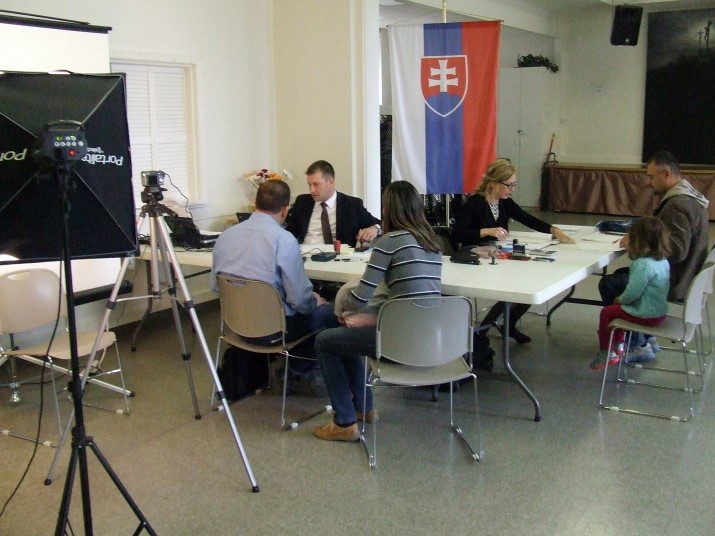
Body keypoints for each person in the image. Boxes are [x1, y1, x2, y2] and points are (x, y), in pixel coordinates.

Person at [311, 181, 443, 442]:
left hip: (400, 341)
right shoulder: (432, 242)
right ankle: (364, 408)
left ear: (388, 209)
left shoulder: (389, 241)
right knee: (343, 338)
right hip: (431, 341)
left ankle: (344, 422)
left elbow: (360, 299)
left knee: (325, 341)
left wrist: (340, 307)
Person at [210, 180, 338, 373]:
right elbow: (300, 301)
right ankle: (300, 365)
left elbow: (215, 286)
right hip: (276, 332)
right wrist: (314, 301)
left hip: (235, 328)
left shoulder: (225, 236)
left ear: (255, 203)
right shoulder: (284, 240)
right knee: (336, 313)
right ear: (285, 210)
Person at [453, 159, 574, 354]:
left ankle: (508, 324)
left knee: (530, 284)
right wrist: (486, 231)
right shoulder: (475, 203)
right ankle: (482, 332)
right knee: (512, 289)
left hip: (499, 254)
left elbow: (527, 218)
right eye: (509, 185)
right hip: (477, 258)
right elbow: (458, 234)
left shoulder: (505, 203)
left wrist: (553, 230)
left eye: (514, 184)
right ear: (494, 184)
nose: (512, 189)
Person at [598, 151, 709, 362]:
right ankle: (646, 337)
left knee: (610, 284)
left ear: (666, 174)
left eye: (651, 177)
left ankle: (637, 344)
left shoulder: (677, 206)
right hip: (686, 275)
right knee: (621, 274)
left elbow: (677, 250)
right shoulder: (689, 196)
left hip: (675, 280)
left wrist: (637, 243)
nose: (648, 183)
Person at [590, 217, 671, 370]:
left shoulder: (642, 264)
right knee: (618, 311)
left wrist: (620, 299)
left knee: (607, 312)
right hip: (659, 311)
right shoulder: (662, 260)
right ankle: (619, 345)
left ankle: (606, 351)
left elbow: (632, 293)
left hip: (646, 314)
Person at [285, 160, 381, 248]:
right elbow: (289, 233)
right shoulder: (302, 202)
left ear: (331, 182)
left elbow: (380, 223)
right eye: (309, 184)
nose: (312, 190)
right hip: (305, 256)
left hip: (338, 257)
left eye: (316, 184)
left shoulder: (352, 205)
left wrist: (375, 228)